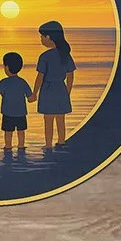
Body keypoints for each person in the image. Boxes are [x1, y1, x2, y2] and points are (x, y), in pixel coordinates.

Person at [34, 20, 75, 148]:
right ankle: (61, 141)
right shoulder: (65, 54)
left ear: (48, 37)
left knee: (48, 119)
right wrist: (67, 92)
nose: (41, 39)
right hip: (61, 89)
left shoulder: (45, 56)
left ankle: (48, 144)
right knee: (61, 119)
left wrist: (34, 93)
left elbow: (40, 77)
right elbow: (70, 75)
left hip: (48, 90)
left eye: (42, 36)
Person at [0, 52, 32, 154]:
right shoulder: (22, 82)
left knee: (8, 132)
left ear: (6, 67)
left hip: (8, 113)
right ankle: (21, 147)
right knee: (21, 132)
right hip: (21, 113)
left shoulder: (4, 82)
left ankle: (8, 147)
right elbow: (30, 97)